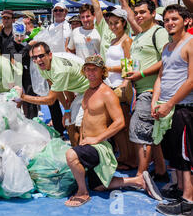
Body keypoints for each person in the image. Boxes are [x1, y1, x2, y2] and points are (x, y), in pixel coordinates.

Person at [64, 55, 158, 207]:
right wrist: (82, 138)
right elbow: (86, 120)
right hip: (88, 144)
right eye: (87, 69)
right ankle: (137, 181)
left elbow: (120, 122)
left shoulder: (107, 93)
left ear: (103, 72)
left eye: (94, 69)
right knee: (99, 186)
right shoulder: (88, 91)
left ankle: (82, 192)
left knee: (70, 155)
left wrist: (96, 139)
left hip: (100, 146)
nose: (90, 73)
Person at [84, 0, 136, 170]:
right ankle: (124, 157)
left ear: (124, 23)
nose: (113, 25)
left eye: (117, 23)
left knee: (122, 125)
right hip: (110, 86)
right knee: (117, 128)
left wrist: (112, 73)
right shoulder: (112, 38)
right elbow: (96, 7)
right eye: (111, 23)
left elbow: (130, 66)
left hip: (121, 87)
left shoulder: (126, 40)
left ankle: (129, 159)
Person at [119, 0, 171, 182]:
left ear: (152, 13)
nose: (139, 16)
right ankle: (161, 170)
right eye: (137, 13)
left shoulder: (159, 32)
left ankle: (141, 176)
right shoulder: (139, 35)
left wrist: (140, 74)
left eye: (143, 12)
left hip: (152, 90)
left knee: (140, 131)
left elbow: (166, 60)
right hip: (139, 90)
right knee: (151, 133)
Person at [150, 5, 193, 216]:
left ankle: (189, 201)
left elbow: (191, 80)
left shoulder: (190, 44)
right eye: (166, 20)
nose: (169, 23)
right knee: (175, 154)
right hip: (167, 109)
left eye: (174, 19)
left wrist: (169, 104)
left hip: (183, 109)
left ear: (186, 21)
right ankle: (180, 189)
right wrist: (156, 101)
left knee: (185, 156)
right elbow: (161, 77)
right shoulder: (167, 47)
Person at [14, 42, 90, 146]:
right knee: (69, 123)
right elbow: (60, 88)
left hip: (90, 89)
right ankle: (76, 151)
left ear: (50, 55)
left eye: (41, 56)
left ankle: (83, 152)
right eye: (35, 57)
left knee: (80, 125)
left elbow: (50, 100)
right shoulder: (42, 66)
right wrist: (67, 109)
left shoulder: (59, 71)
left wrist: (23, 97)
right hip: (78, 89)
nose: (38, 60)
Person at [6, 22, 40, 120]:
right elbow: (17, 57)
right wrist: (28, 46)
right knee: (17, 98)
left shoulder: (27, 40)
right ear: (13, 34)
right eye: (17, 36)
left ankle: (33, 118)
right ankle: (20, 119)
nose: (20, 38)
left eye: (22, 35)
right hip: (17, 74)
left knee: (31, 95)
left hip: (28, 73)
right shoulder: (11, 45)